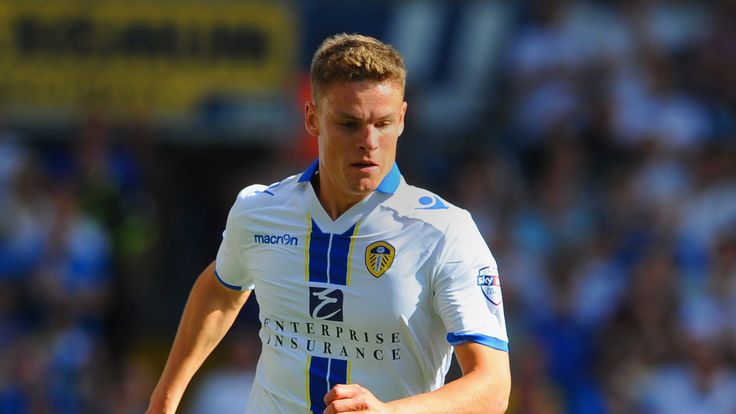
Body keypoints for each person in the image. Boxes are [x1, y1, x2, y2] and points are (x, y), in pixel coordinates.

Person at [147, 33, 511, 414]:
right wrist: (165, 399)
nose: (368, 141)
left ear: (402, 119)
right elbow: (222, 290)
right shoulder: (258, 211)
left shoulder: (445, 232)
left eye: (383, 123)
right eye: (349, 124)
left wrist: (390, 412)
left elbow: (493, 387)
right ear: (312, 119)